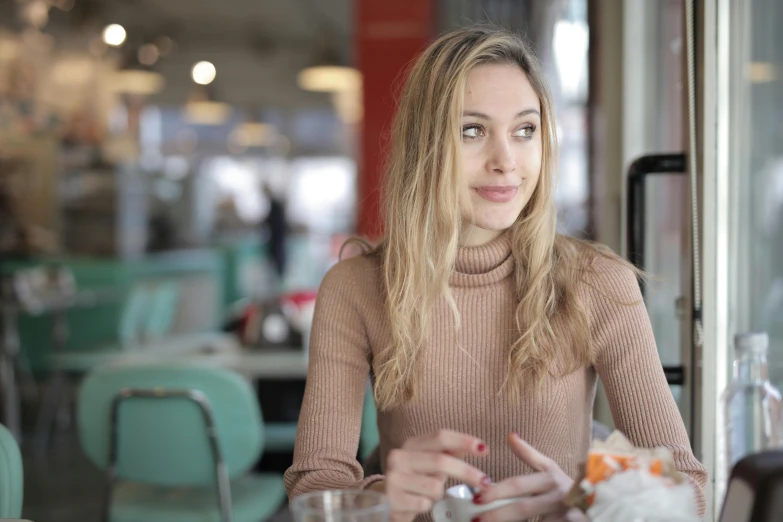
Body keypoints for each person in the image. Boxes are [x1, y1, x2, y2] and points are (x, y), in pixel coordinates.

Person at [284, 26, 707, 522]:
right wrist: (380, 500)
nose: (506, 161)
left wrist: (584, 496)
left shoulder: (597, 281)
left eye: (525, 131)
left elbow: (689, 490)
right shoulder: (355, 288)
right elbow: (315, 489)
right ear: (426, 146)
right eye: (473, 131)